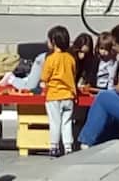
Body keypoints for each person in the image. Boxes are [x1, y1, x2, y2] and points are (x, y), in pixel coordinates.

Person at [40, 25, 76, 158]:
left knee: (55, 122)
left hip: (54, 95)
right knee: (67, 122)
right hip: (69, 95)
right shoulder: (70, 58)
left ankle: (54, 146)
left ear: (53, 42)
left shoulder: (50, 59)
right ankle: (68, 146)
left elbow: (44, 77)